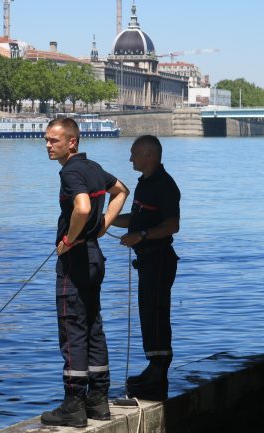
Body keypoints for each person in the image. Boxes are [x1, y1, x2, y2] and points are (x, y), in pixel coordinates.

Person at [41, 117, 129, 427]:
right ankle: (99, 400)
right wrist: (102, 225)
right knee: (93, 326)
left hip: (76, 258)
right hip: (95, 257)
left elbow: (80, 207)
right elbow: (121, 191)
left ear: (72, 142)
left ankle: (73, 405)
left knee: (72, 330)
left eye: (54, 140)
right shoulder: (93, 168)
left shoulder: (71, 171)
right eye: (47, 140)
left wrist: (70, 238)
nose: (48, 145)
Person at [113, 135, 180, 401]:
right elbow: (136, 219)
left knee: (156, 314)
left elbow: (172, 225)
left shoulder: (165, 185)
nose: (130, 159)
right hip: (148, 259)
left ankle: (158, 371)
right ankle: (153, 367)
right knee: (147, 313)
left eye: (134, 154)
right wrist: (105, 221)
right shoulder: (144, 184)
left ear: (148, 155)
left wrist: (141, 235)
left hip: (160, 258)